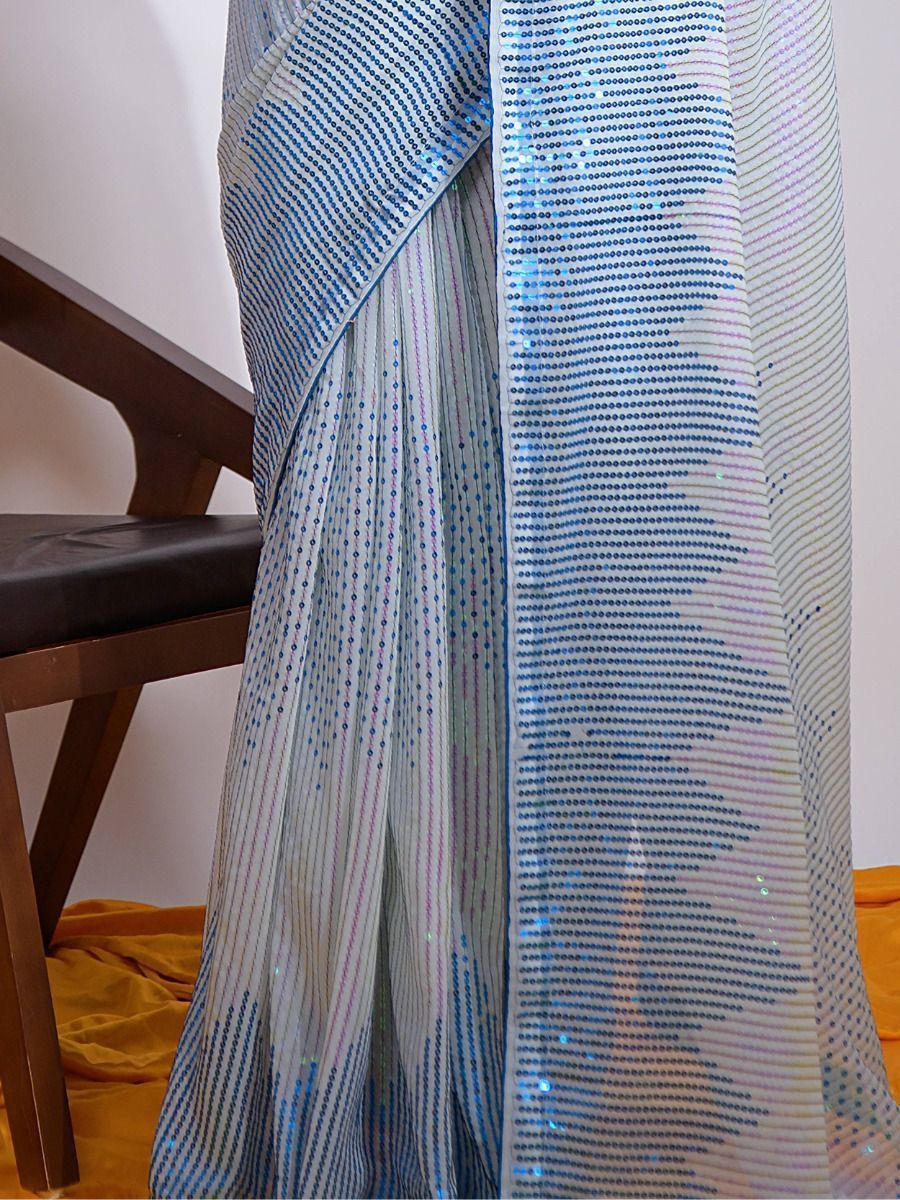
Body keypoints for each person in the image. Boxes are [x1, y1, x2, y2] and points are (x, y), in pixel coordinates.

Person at [151, 1, 900, 1195]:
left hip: (572, 47)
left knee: (537, 520)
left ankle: (519, 1058)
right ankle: (378, 1090)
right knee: (372, 521)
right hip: (351, 48)